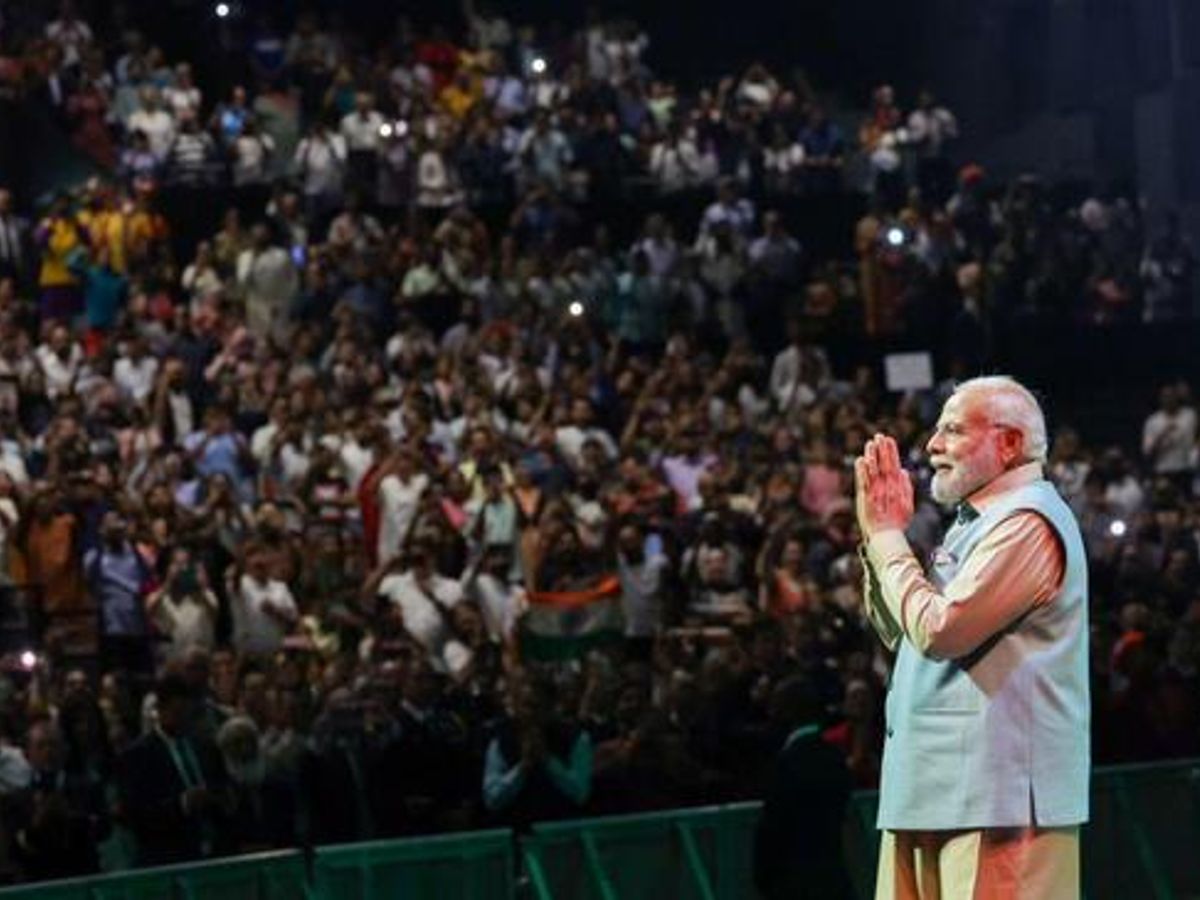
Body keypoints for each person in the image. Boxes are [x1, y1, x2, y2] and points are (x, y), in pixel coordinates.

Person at [854, 376, 1088, 899]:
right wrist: (876, 538)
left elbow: (941, 631)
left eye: (953, 430)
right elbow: (902, 634)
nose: (932, 444)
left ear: (1008, 444)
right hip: (933, 792)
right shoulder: (971, 525)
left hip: (998, 803)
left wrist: (890, 537)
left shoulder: (1029, 520)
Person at [752, 676, 853, 900]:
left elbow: (774, 828)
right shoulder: (835, 757)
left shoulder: (786, 764)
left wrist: (763, 878)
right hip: (834, 882)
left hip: (794, 886)